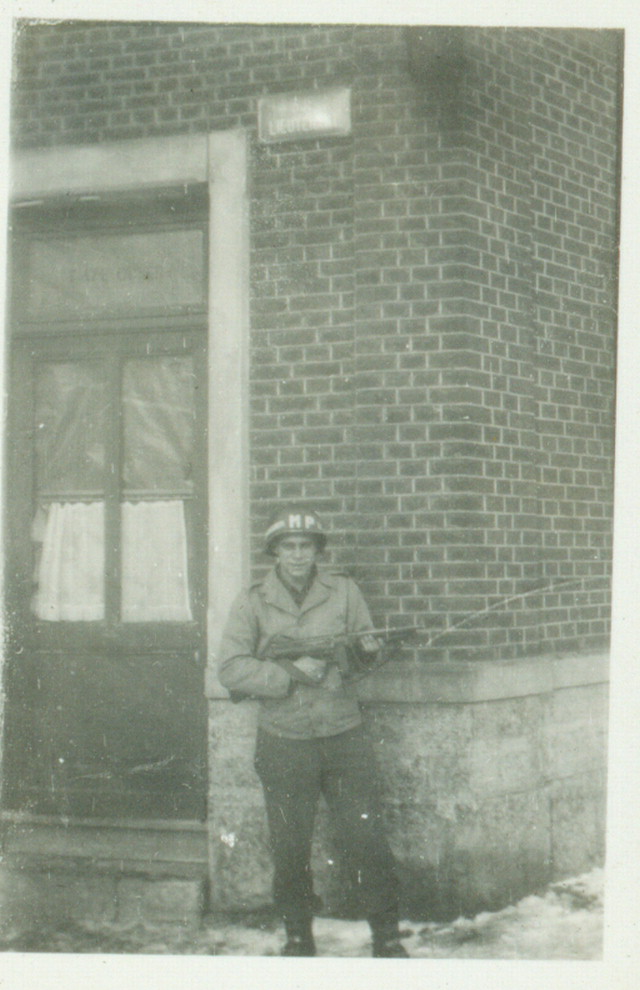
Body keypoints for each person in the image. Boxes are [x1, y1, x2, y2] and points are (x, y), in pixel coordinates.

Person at [217, 505, 409, 958]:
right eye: (289, 546)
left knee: (366, 838)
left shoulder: (343, 592)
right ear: (275, 552)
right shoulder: (252, 601)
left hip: (343, 735)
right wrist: (290, 674)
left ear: (317, 551)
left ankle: (386, 934)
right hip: (284, 740)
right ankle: (298, 935)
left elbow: (362, 653)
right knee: (290, 845)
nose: (298, 555)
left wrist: (368, 650)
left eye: (306, 546)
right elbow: (231, 668)